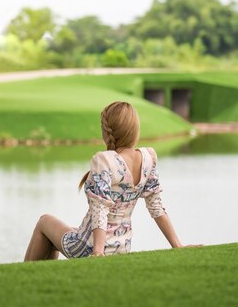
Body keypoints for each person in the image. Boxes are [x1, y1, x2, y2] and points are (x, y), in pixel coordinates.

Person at [24, 101, 201, 261]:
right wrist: (178, 245)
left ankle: (24, 276)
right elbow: (156, 206)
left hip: (90, 247)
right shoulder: (148, 158)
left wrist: (98, 252)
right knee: (62, 233)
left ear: (107, 131)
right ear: (134, 129)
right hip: (122, 247)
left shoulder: (104, 160)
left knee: (44, 221)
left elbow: (100, 208)